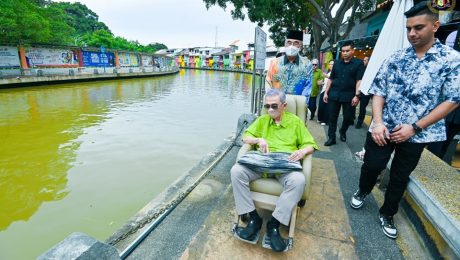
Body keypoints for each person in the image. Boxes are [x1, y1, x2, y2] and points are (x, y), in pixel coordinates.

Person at [350, 1, 459, 239]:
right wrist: (377, 122)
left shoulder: (451, 60)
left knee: (400, 175)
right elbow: (379, 91)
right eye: (408, 28)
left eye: (418, 27)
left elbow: (453, 99)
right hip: (384, 127)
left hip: (419, 133)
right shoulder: (395, 58)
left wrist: (415, 127)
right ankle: (362, 191)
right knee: (371, 165)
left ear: (435, 26)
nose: (412, 33)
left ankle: (388, 212)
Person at [231, 88, 318, 252]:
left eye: (274, 106)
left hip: (284, 165)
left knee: (299, 180)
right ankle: (254, 218)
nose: (270, 110)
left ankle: (274, 223)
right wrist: (259, 139)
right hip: (262, 164)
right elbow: (245, 137)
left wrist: (302, 151)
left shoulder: (295, 122)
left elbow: (310, 144)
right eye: (267, 106)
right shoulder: (263, 120)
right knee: (236, 171)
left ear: (284, 105)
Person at [323, 41, 365, 146]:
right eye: (343, 51)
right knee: (332, 117)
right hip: (334, 94)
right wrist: (326, 93)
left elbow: (359, 80)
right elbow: (331, 79)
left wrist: (357, 95)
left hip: (349, 96)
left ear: (352, 50)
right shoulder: (337, 63)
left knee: (348, 117)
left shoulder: (358, 63)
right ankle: (331, 138)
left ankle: (343, 131)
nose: (345, 53)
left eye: (347, 51)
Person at [267, 30, 313, 102]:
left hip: (297, 105)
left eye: (296, 43)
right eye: (289, 42)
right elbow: (268, 82)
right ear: (285, 44)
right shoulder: (275, 63)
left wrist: (303, 106)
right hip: (276, 104)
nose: (292, 46)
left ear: (300, 46)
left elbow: (307, 87)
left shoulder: (307, 65)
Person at [355, 56, 372, 129]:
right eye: (363, 60)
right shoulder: (361, 68)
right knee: (353, 105)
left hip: (366, 92)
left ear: (369, 61)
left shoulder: (371, 70)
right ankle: (351, 118)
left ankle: (359, 122)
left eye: (365, 60)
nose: (363, 61)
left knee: (362, 107)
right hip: (358, 90)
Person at [317, 60, 334, 126]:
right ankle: (320, 118)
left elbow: (333, 81)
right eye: (330, 64)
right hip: (323, 90)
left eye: (332, 64)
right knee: (321, 105)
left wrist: (327, 76)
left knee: (326, 107)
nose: (330, 65)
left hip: (329, 91)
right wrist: (321, 83)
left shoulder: (334, 73)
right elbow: (326, 82)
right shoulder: (329, 72)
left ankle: (324, 120)